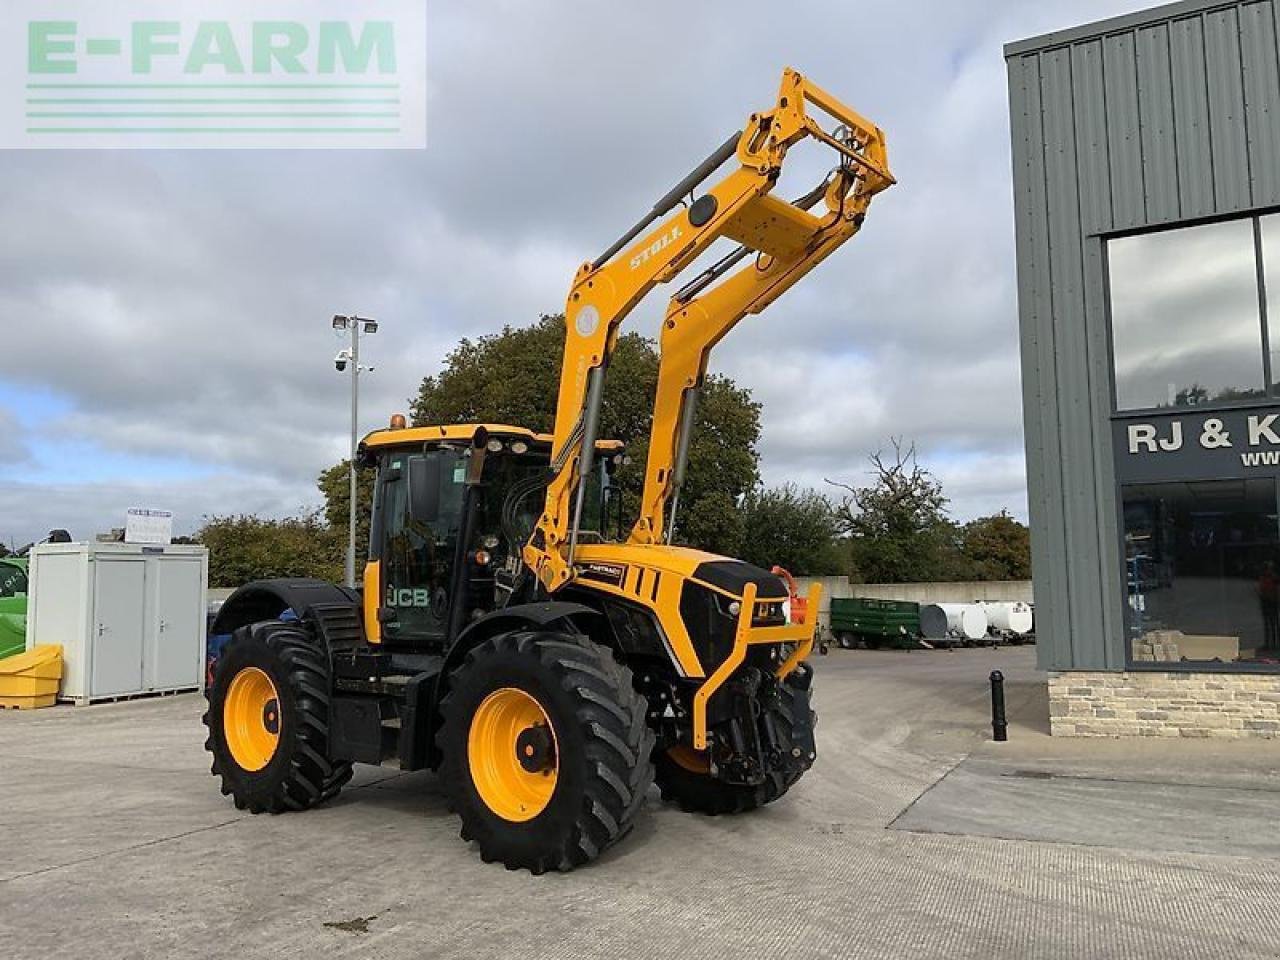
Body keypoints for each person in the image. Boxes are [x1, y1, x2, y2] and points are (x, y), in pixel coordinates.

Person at [1258, 561, 1280, 651]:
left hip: (1272, 601)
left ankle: (1275, 643)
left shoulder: (1274, 579)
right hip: (1266, 601)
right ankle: (1268, 643)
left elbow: (1276, 590)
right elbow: (1261, 589)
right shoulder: (1263, 578)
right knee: (1268, 624)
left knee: (1274, 624)